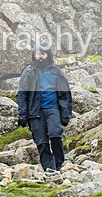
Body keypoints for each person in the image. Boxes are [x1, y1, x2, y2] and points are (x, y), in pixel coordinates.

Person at [17, 43, 72, 172]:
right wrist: (22, 115)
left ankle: (59, 163)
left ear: (48, 55)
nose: (40, 56)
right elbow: (22, 94)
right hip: (35, 112)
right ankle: (50, 169)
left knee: (55, 135)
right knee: (41, 142)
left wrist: (65, 114)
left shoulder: (57, 72)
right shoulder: (29, 71)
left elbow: (65, 94)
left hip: (53, 109)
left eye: (43, 53)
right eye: (37, 54)